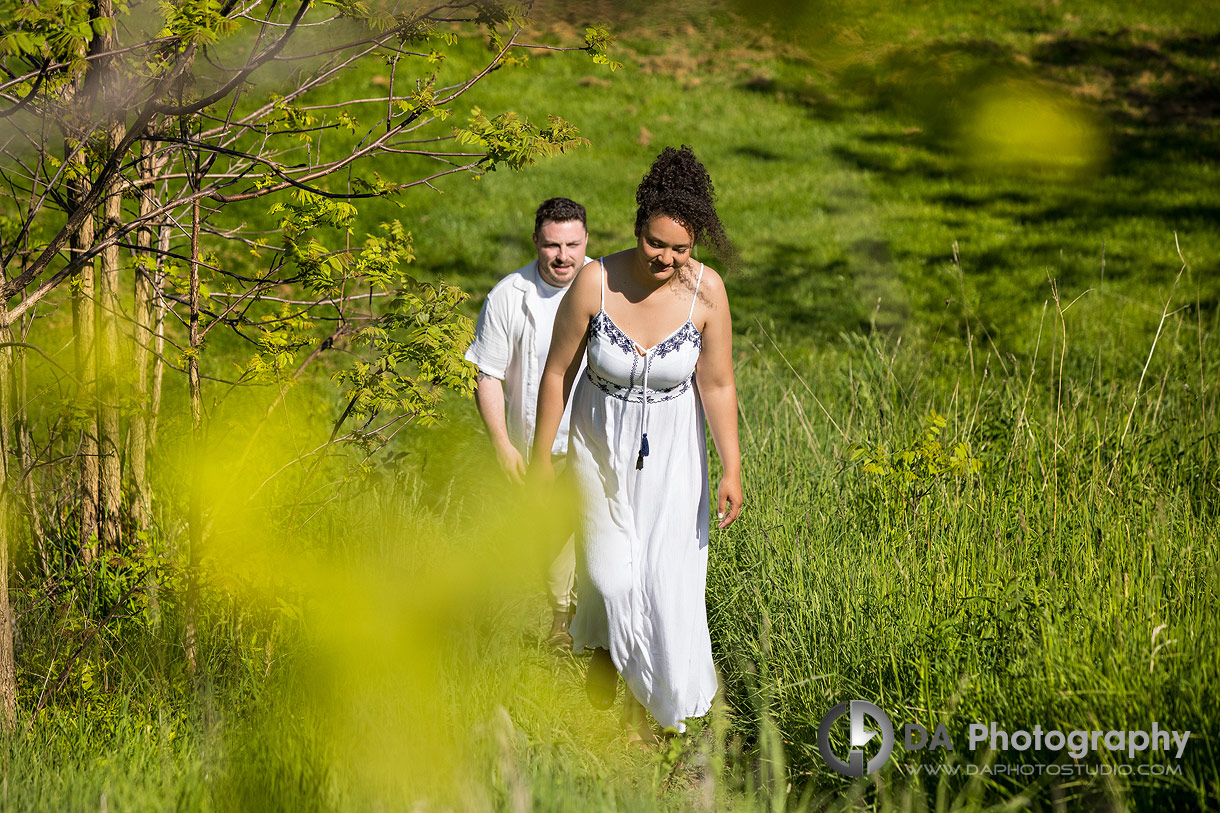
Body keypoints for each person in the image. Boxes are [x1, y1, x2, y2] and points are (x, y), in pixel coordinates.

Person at [531, 147, 743, 742]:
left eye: (681, 248)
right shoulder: (594, 283)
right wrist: (541, 459)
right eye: (656, 243)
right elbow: (557, 373)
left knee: (663, 583)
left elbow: (719, 383)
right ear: (637, 226)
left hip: (675, 459)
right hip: (599, 451)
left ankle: (642, 716)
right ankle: (604, 642)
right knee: (610, 576)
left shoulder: (707, 293)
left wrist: (731, 468)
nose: (667, 258)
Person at [465, 197, 592, 647]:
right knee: (554, 532)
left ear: (586, 241)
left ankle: (604, 624)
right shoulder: (508, 296)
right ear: (536, 241)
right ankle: (563, 616)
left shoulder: (606, 287)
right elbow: (488, 374)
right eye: (553, 245)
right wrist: (501, 443)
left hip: (598, 435)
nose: (563, 256)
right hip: (540, 442)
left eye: (572, 244)